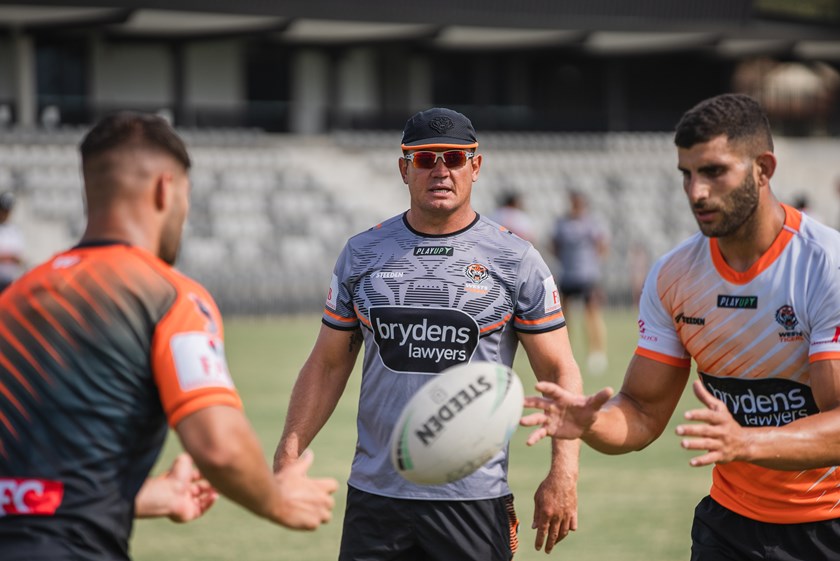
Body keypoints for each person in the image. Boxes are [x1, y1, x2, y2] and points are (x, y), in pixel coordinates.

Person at [0, 112, 338, 561]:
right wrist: (279, 500)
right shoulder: (167, 296)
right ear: (166, 189)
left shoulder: (17, 297)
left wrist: (145, 496)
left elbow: (33, 486)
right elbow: (218, 447)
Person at [521, 93, 840, 561]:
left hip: (827, 526)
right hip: (728, 527)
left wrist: (743, 441)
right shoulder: (675, 275)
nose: (696, 192)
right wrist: (592, 424)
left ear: (763, 169)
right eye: (686, 174)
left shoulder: (825, 266)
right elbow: (644, 413)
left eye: (713, 172)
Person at [274, 107, 583, 560]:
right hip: (376, 497)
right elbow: (327, 363)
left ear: (475, 166)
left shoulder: (515, 259)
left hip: (473, 499)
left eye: (454, 158)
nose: (441, 170)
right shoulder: (362, 254)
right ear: (404, 168)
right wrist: (289, 454)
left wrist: (564, 473)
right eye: (425, 159)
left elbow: (560, 369)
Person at [550, 190, 610, 374]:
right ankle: (565, 352)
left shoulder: (591, 223)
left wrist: (591, 263)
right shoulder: (562, 224)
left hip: (587, 276)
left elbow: (602, 245)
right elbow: (554, 245)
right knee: (564, 317)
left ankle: (597, 353)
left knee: (591, 315)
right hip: (568, 275)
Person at [0, 190, 24, 292]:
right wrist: (8, 257)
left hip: (10, 281)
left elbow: (19, 257)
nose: (5, 213)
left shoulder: (14, 230)